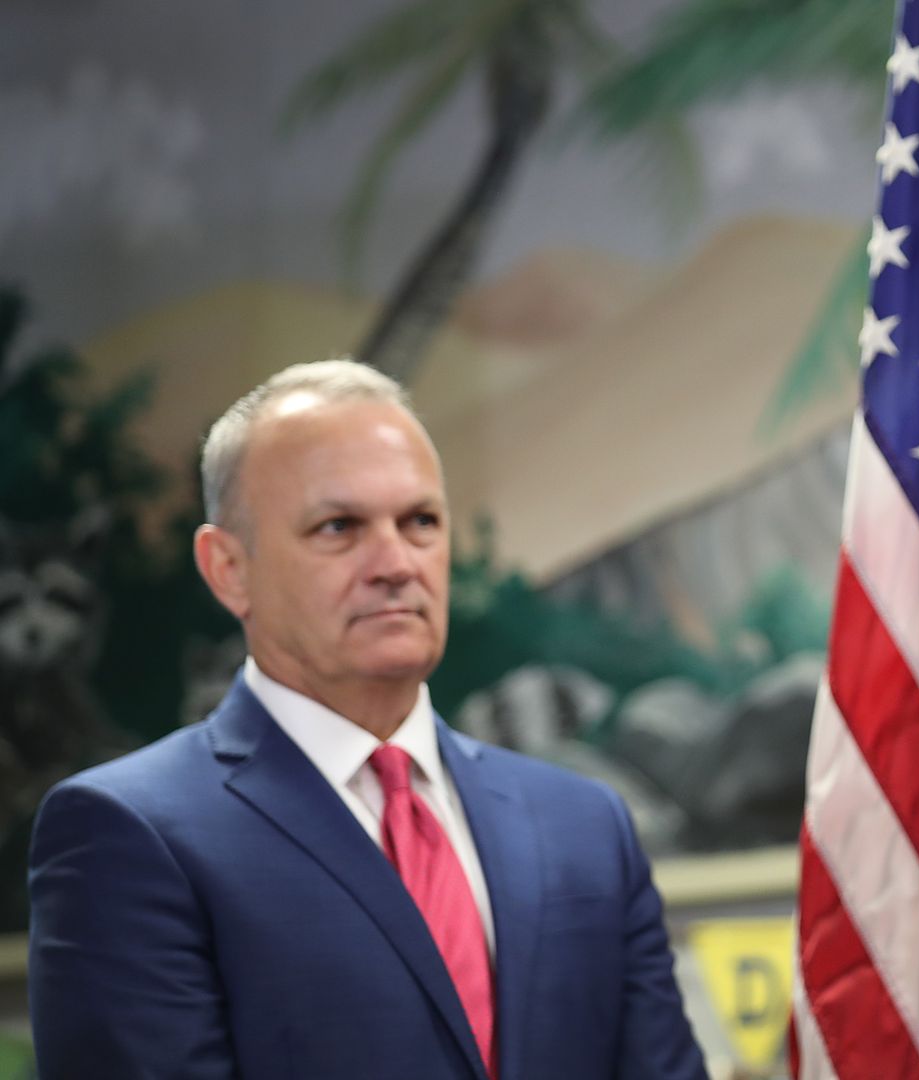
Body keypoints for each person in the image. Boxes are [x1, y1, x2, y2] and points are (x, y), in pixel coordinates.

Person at [27, 360, 704, 1079]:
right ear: (229, 568)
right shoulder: (128, 834)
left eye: (420, 522)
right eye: (339, 527)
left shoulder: (585, 824)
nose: (395, 563)